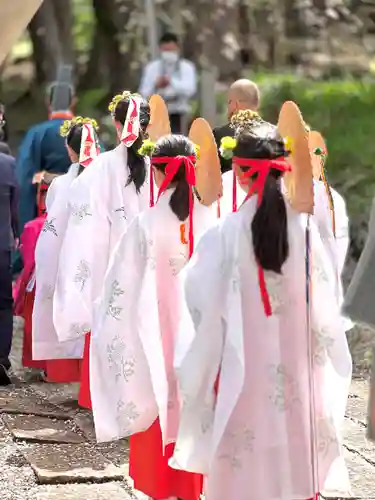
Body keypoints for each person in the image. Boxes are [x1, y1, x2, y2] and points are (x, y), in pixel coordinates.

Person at [170, 121, 352, 499]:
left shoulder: (223, 235)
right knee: (293, 467)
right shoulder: (305, 232)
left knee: (244, 475)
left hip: (242, 378)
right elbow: (327, 310)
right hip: (296, 377)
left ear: (237, 172)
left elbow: (197, 303)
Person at [90, 133, 220, 500]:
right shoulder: (214, 220)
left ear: (159, 174)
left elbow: (120, 290)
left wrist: (105, 321)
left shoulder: (145, 224)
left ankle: (161, 486)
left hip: (156, 342)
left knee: (159, 403)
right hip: (203, 344)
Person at [53, 91, 152, 409]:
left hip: (110, 257)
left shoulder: (103, 166)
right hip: (146, 256)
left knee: (107, 324)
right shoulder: (156, 165)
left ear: (115, 122)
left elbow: (81, 211)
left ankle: (100, 396)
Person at [26, 117, 100, 383]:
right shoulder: (104, 180)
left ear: (70, 150)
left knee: (65, 303)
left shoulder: (61, 184)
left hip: (67, 253)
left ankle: (62, 370)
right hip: (96, 254)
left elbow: (53, 225)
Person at [15, 65, 75, 241]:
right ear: (73, 102)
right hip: (80, 209)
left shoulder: (37, 133)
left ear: (48, 103)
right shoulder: (86, 131)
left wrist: (23, 221)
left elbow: (24, 176)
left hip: (47, 209)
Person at [139, 32, 197, 134]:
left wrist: (171, 82)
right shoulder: (152, 68)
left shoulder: (187, 67)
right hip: (156, 114)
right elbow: (143, 92)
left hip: (179, 113)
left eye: (171, 50)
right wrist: (155, 85)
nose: (168, 53)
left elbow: (190, 89)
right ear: (160, 49)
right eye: (165, 50)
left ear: (177, 49)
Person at [213, 79, 263, 173]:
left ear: (235, 104)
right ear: (257, 103)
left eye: (229, 102)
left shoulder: (219, 135)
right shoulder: (273, 133)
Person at [0, 143, 19, 384]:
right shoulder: (8, 164)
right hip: (1, 244)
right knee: (3, 304)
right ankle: (1, 359)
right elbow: (14, 209)